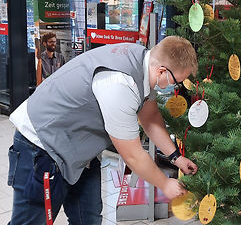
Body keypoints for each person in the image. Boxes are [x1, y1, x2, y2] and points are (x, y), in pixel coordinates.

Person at [7, 36, 198, 225]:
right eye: (177, 81)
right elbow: (132, 155)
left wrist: (176, 157)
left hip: (79, 150)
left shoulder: (143, 62)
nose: (176, 86)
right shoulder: (120, 84)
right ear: (162, 71)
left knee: (88, 219)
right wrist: (164, 184)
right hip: (42, 144)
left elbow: (149, 116)